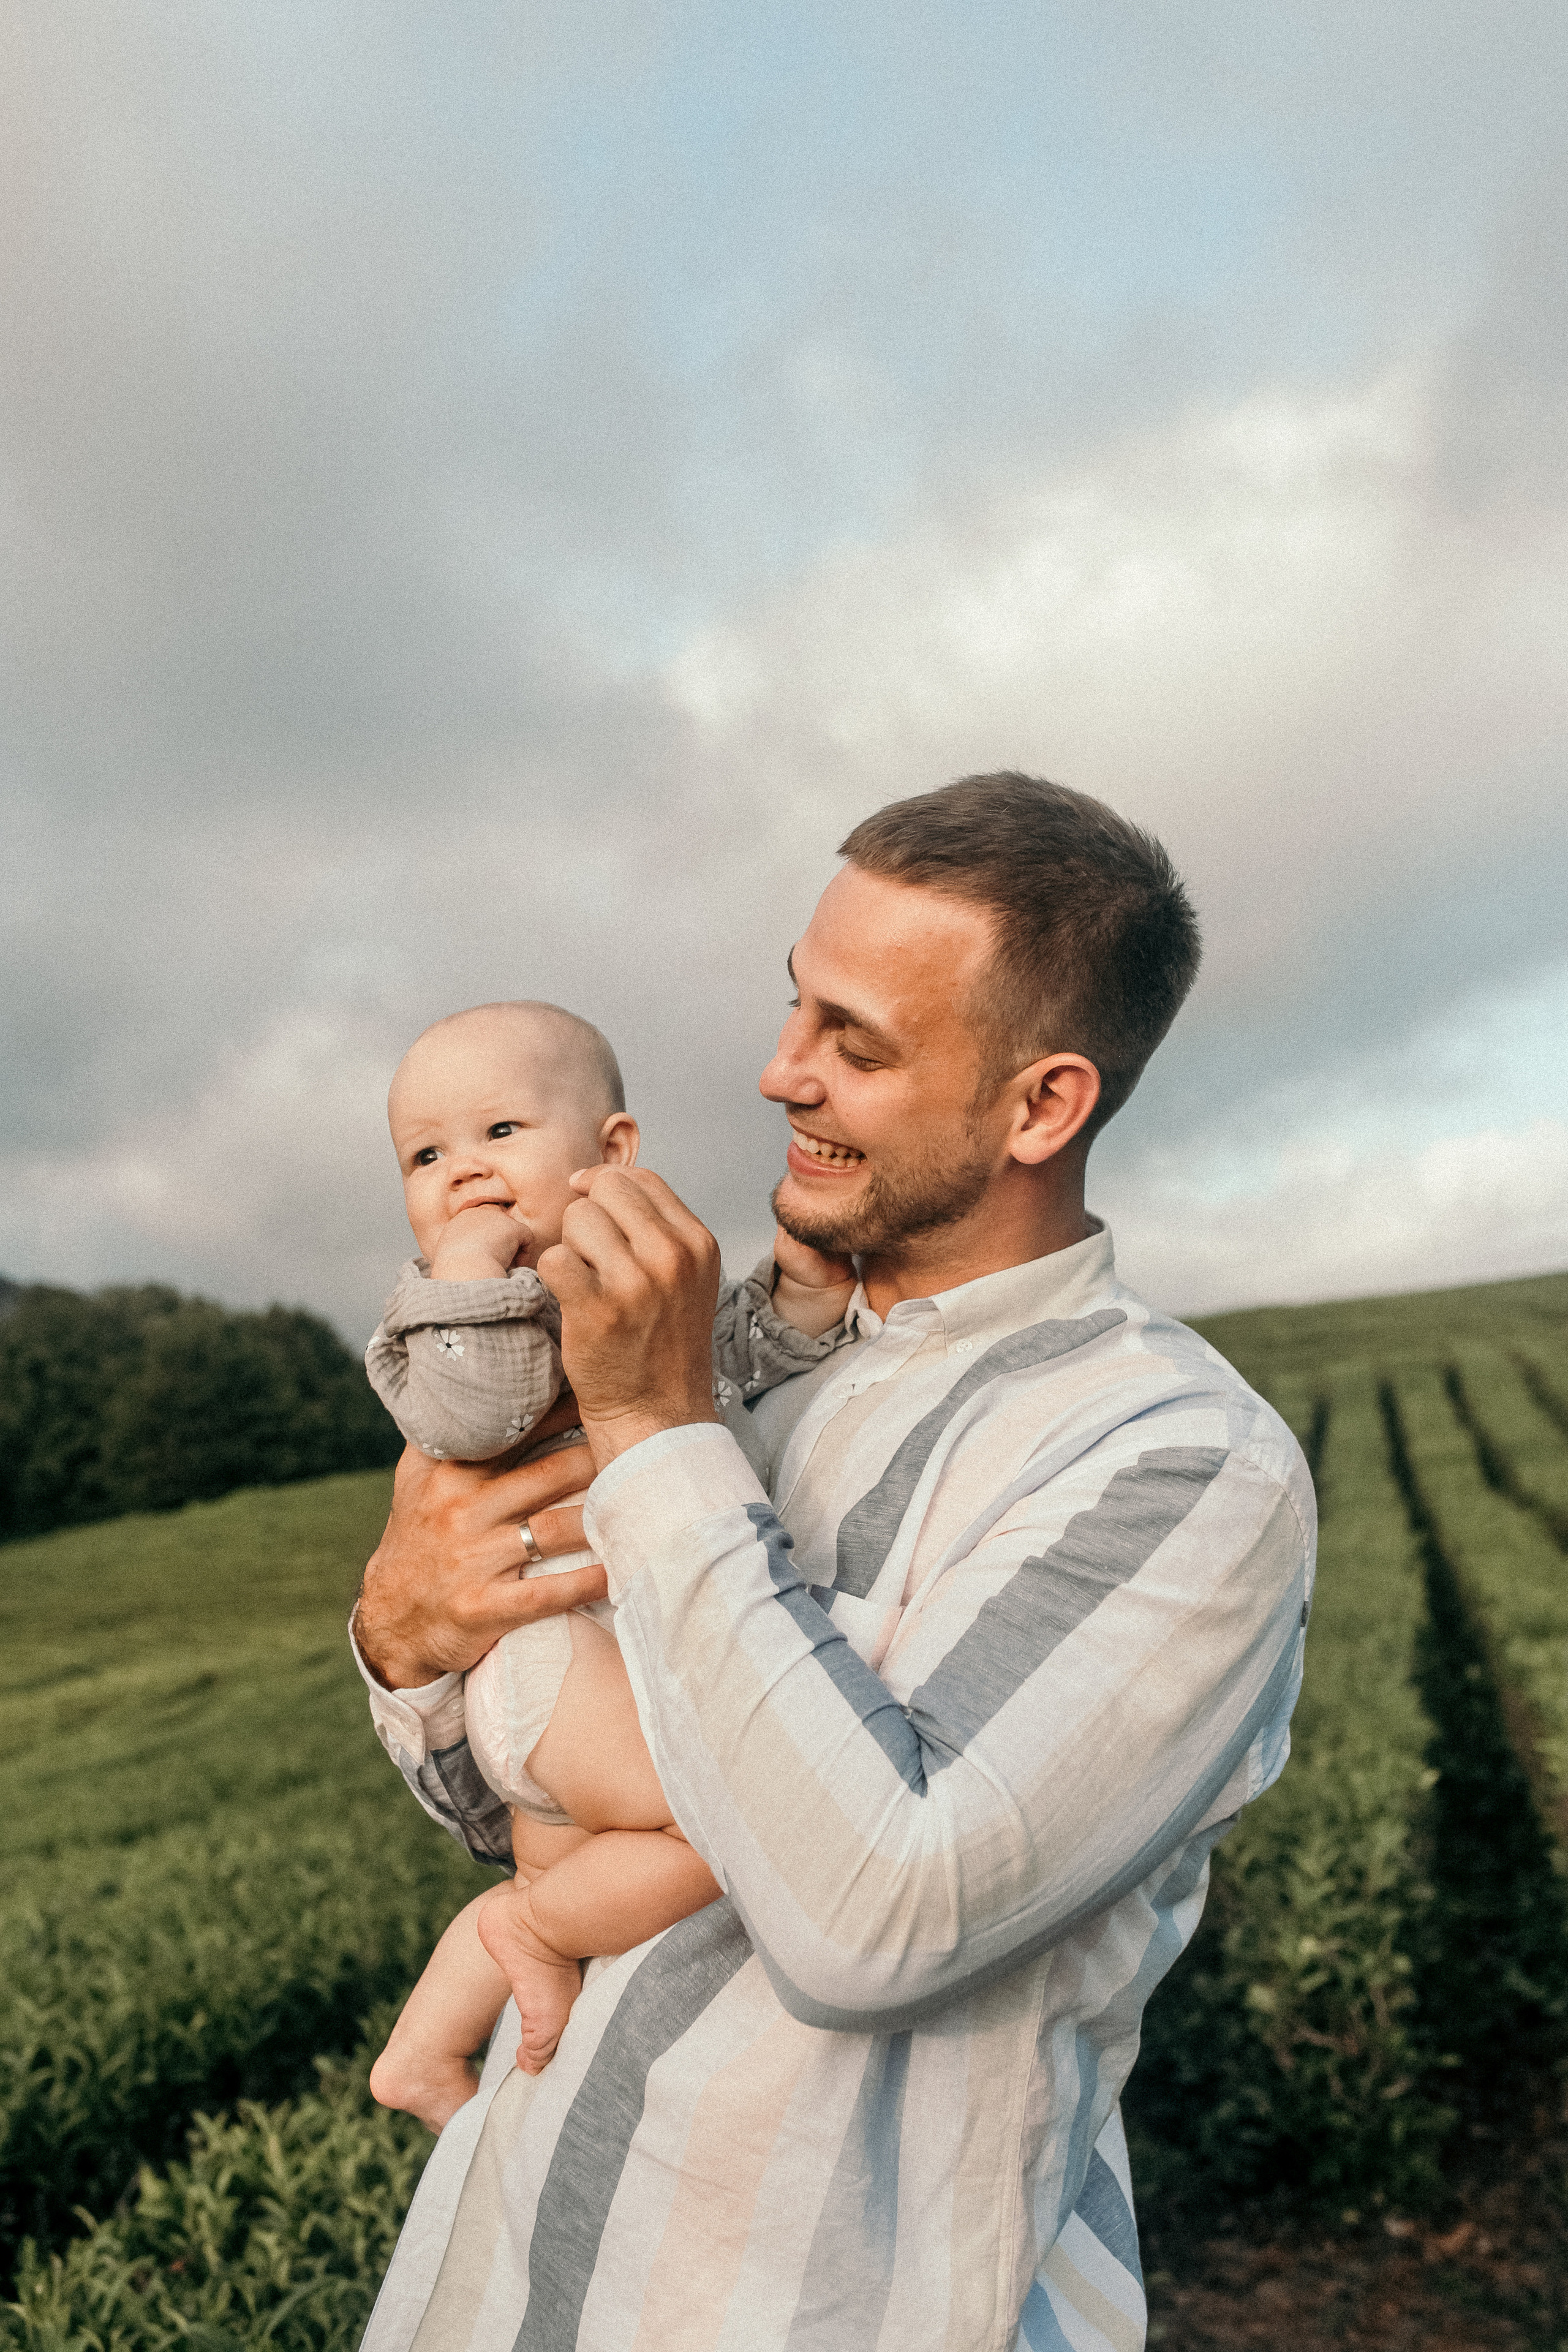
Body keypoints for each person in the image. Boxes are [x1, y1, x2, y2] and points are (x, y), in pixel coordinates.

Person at [352, 773, 1315, 2352]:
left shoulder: (1179, 1463)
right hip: (506, 2270)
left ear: (1039, 1108)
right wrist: (404, 1639)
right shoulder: (755, 1360)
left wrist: (656, 1430)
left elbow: (874, 1915)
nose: (776, 1073)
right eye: (791, 1007)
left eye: (853, 1044)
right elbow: (496, 1803)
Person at [360, 1000, 858, 2123]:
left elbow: (733, 1358)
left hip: (585, 1677)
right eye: (426, 1157)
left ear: (612, 1155)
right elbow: (475, 1418)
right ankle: (527, 1935)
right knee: (730, 1819)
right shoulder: (443, 1321)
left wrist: (808, 1296)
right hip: (548, 1662)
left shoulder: (631, 1287)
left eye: (500, 1135)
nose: (464, 1176)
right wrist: (474, 1272)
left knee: (555, 1871)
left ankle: (425, 2051)